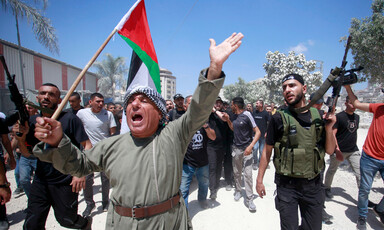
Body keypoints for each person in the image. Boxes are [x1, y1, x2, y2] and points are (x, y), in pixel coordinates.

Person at [31, 32, 244, 229]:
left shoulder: (173, 136)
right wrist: (58, 141)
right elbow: (79, 165)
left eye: (143, 100)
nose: (135, 104)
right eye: (130, 101)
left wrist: (214, 68)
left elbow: (198, 110)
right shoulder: (111, 145)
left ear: (160, 113)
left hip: (168, 223)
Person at [256, 73, 336, 230]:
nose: (287, 90)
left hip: (313, 185)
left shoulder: (319, 116)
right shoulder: (278, 118)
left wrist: (329, 127)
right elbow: (267, 151)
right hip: (287, 187)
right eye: (284, 87)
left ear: (304, 89)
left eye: (292, 85)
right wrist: (259, 181)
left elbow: (330, 149)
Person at [13, 83, 92, 229]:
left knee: (67, 219)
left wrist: (80, 173)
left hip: (65, 180)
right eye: (43, 93)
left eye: (51, 94)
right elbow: (26, 153)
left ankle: (86, 224)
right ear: (37, 97)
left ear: (59, 100)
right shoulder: (32, 122)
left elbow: (87, 145)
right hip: (41, 180)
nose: (46, 97)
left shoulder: (70, 119)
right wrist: (21, 139)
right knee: (32, 223)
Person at [343, 85, 384, 229]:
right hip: (370, 157)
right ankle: (362, 216)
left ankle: (380, 209)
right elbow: (356, 104)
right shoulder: (378, 108)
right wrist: (348, 88)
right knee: (365, 189)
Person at [76, 93, 116, 216]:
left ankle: (105, 202)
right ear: (90, 102)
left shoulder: (108, 114)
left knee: (105, 179)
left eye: (102, 102)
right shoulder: (82, 113)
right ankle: (90, 204)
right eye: (98, 101)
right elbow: (78, 128)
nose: (100, 104)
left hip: (104, 152)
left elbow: (113, 132)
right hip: (88, 152)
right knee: (87, 179)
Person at [222, 96, 261, 212]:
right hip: (236, 149)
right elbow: (234, 128)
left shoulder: (247, 114)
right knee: (237, 172)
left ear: (236, 104)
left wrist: (251, 146)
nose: (230, 106)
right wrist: (229, 120)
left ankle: (250, 199)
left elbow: (258, 132)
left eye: (231, 104)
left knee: (248, 174)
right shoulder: (234, 115)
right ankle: (238, 191)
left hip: (247, 149)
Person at [180, 95, 216, 209]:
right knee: (183, 189)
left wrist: (205, 126)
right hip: (187, 163)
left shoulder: (203, 120)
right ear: (185, 106)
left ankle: (202, 199)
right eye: (191, 103)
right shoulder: (181, 122)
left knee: (204, 184)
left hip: (203, 162)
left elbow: (213, 137)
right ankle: (184, 211)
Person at [323, 96, 360, 198]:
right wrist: (337, 149)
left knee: (360, 173)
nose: (354, 106)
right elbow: (333, 134)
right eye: (351, 103)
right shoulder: (339, 117)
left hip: (353, 150)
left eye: (355, 103)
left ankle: (363, 197)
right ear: (346, 103)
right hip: (339, 150)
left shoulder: (357, 117)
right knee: (332, 170)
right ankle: (326, 188)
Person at [207, 97, 231, 198]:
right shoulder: (208, 114)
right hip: (211, 146)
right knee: (212, 167)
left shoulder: (224, 113)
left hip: (222, 146)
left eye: (219, 103)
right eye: (215, 102)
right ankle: (212, 190)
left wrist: (216, 110)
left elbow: (224, 118)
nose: (218, 104)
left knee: (218, 167)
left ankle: (216, 185)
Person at [252, 99, 270, 170]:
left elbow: (269, 123)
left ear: (261, 105)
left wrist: (267, 132)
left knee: (262, 150)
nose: (256, 105)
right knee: (255, 148)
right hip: (255, 135)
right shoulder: (254, 112)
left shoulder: (265, 113)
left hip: (263, 135)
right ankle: (255, 162)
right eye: (256, 103)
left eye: (257, 103)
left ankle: (260, 162)